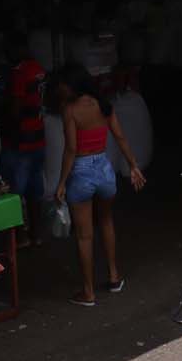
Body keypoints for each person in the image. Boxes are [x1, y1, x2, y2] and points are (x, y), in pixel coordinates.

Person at [56, 63, 147, 307]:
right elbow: (120, 136)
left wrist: (62, 182)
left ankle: (88, 292)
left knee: (85, 236)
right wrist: (133, 165)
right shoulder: (102, 104)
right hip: (104, 169)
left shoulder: (70, 110)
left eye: (62, 86)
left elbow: (71, 150)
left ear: (71, 86)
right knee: (106, 221)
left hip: (82, 171)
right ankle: (114, 276)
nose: (59, 91)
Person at [0, 36, 49, 242]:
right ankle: (36, 234)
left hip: (20, 143)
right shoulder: (38, 69)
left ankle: (19, 237)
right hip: (38, 139)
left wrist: (1, 109)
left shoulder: (18, 73)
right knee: (34, 191)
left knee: (14, 192)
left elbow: (16, 110)